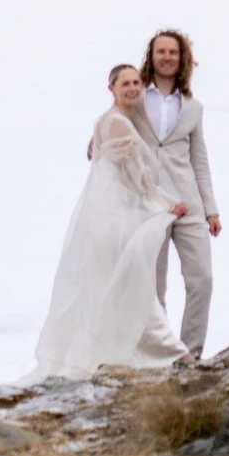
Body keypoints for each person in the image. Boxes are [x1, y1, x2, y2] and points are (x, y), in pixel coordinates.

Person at [34, 63, 185, 376]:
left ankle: (118, 355)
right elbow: (134, 176)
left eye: (136, 83)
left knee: (113, 287)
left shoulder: (106, 121)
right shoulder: (117, 124)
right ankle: (173, 353)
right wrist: (165, 203)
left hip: (106, 218)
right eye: (125, 84)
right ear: (112, 88)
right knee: (133, 284)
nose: (132, 88)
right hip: (114, 222)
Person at [139, 27, 220, 362]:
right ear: (152, 57)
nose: (167, 57)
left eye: (173, 52)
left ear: (182, 58)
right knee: (154, 289)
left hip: (190, 205)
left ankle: (192, 355)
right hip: (150, 206)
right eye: (161, 52)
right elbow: (114, 126)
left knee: (202, 280)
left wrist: (211, 210)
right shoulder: (137, 98)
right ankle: (162, 356)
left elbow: (199, 160)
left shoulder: (193, 107)